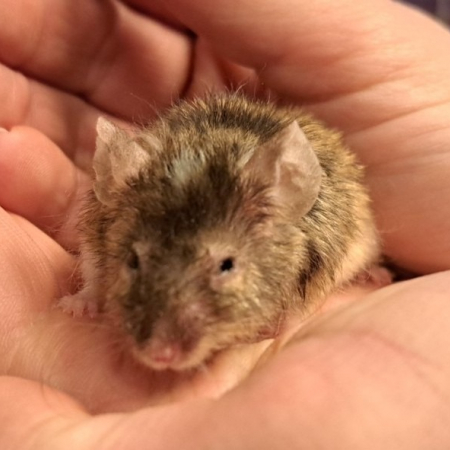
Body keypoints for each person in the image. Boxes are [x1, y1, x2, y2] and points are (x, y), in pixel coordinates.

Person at [1, 0, 450, 447]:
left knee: (354, 240)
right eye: (136, 263)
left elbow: (323, 254)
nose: (160, 348)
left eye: (223, 268)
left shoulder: (281, 219)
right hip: (180, 155)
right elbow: (106, 240)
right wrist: (92, 290)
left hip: (266, 164)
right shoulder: (123, 205)